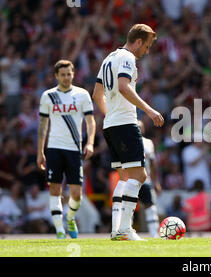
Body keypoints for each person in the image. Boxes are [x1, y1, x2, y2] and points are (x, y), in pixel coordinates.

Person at [92, 24, 164, 241]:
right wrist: (149, 110)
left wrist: (110, 115)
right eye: (147, 46)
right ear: (139, 41)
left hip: (112, 125)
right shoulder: (127, 58)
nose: (147, 51)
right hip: (125, 124)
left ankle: (117, 230)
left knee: (124, 178)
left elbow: (97, 94)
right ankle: (124, 229)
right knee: (140, 176)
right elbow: (124, 86)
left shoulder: (108, 58)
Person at [37, 60, 96, 239]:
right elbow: (43, 125)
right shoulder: (48, 96)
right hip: (54, 148)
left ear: (73, 73)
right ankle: (60, 230)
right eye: (62, 74)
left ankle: (69, 218)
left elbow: (90, 121)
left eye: (68, 74)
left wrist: (90, 142)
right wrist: (40, 151)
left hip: (73, 149)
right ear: (56, 76)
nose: (66, 77)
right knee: (55, 189)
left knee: (76, 194)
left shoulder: (82, 94)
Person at [137, 120, 162, 238]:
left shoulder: (148, 143)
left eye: (140, 127)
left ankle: (154, 233)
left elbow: (153, 164)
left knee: (150, 206)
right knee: (128, 206)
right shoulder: (127, 141)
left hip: (145, 180)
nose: (139, 129)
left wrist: (156, 182)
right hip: (131, 179)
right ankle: (124, 232)